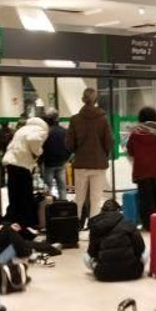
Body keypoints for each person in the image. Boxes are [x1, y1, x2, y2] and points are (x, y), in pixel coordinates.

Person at [66, 88, 114, 225]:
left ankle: (74, 226)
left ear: (83, 99)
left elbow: (69, 144)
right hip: (98, 164)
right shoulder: (103, 119)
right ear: (96, 100)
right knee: (96, 199)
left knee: (79, 198)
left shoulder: (75, 119)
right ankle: (94, 228)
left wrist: (78, 151)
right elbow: (109, 141)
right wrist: (103, 154)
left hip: (81, 163)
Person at [1, 111, 48, 228]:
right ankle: (26, 222)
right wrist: (38, 152)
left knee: (14, 194)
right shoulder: (40, 130)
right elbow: (33, 140)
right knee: (25, 195)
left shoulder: (22, 129)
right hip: (21, 165)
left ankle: (13, 220)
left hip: (11, 163)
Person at [84, 198, 146, 280]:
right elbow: (140, 247)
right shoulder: (128, 222)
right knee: (146, 250)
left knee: (85, 256)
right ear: (119, 210)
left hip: (104, 274)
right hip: (133, 272)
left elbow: (92, 252)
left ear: (102, 211)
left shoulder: (96, 225)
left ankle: (103, 268)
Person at [126, 107, 156, 221]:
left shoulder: (135, 134)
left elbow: (130, 151)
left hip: (142, 170)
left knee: (146, 201)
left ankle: (148, 224)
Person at [40, 109, 69, 200]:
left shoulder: (46, 132)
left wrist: (40, 161)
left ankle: (48, 205)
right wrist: (66, 159)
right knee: (62, 187)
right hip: (61, 163)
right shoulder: (64, 131)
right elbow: (69, 147)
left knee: (48, 188)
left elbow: (41, 148)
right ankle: (63, 204)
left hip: (48, 163)